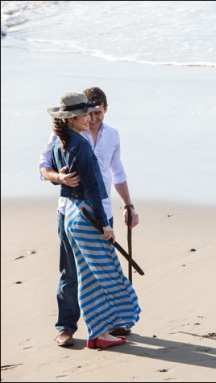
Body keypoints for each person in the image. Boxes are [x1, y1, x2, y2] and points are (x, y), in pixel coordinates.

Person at [39, 87, 139, 347]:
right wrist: (60, 178)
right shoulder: (66, 138)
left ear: (105, 109)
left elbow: (117, 172)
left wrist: (128, 205)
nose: (91, 118)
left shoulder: (112, 136)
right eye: (86, 113)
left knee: (99, 271)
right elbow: (44, 167)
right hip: (76, 212)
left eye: (95, 112)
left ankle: (107, 324)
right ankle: (67, 327)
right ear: (73, 116)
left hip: (99, 210)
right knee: (72, 273)